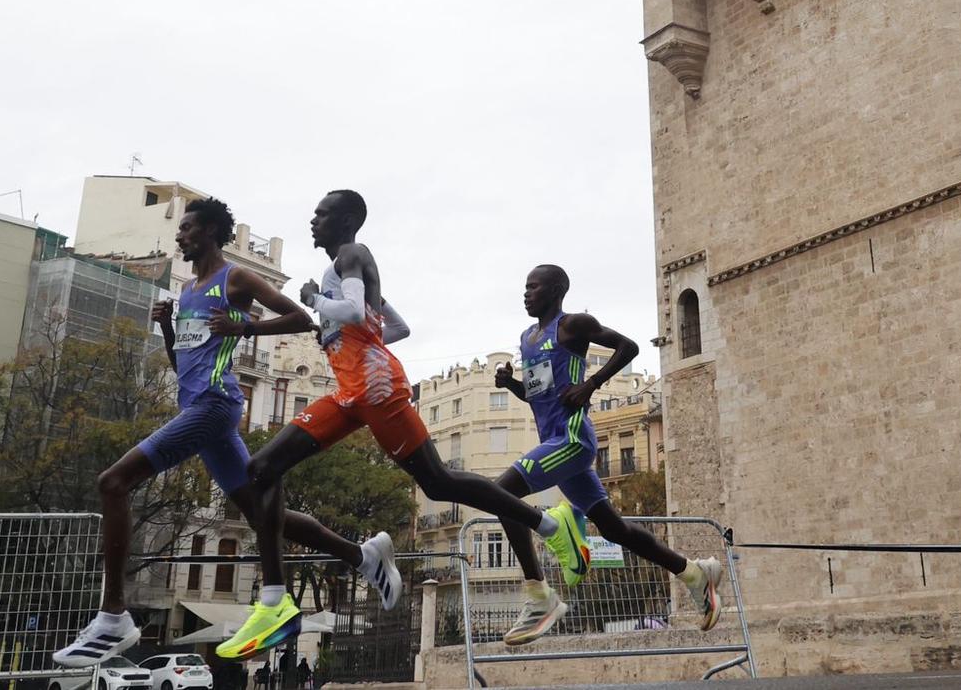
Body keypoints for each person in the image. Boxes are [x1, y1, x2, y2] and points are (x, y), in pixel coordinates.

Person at [220, 190, 584, 660]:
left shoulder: (352, 254)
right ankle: (290, 592)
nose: (313, 220)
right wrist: (354, 330)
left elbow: (351, 312)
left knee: (437, 482)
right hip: (350, 392)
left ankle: (548, 524)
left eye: (323, 214)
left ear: (347, 220)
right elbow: (396, 327)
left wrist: (315, 301)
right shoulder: (345, 266)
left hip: (375, 387)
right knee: (262, 468)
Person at [55, 198, 401, 666]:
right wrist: (169, 332)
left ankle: (114, 615)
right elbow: (186, 370)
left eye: (189, 229)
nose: (181, 236)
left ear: (213, 234)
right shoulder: (189, 293)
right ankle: (362, 555)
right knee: (262, 514)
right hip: (198, 403)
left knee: (112, 482)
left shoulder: (233, 278)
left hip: (217, 406)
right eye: (180, 230)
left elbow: (300, 318)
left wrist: (244, 326)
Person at [490, 265, 724, 644]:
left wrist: (592, 384)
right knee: (615, 529)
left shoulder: (573, 326)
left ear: (555, 290)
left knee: (501, 493)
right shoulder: (528, 338)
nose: (526, 293)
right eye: (525, 287)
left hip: (571, 441)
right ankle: (695, 574)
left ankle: (539, 594)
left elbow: (628, 346)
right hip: (554, 443)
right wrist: (511, 385)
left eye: (533, 287)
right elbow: (540, 394)